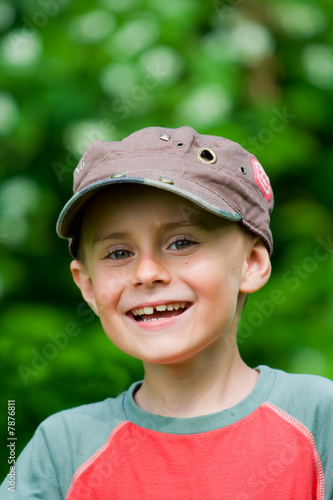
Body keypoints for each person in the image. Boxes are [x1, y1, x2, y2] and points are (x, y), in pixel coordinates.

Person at [1, 126, 332, 499]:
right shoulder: (60, 449)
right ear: (88, 285)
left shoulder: (320, 419)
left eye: (181, 243)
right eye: (119, 253)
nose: (146, 273)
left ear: (251, 263)